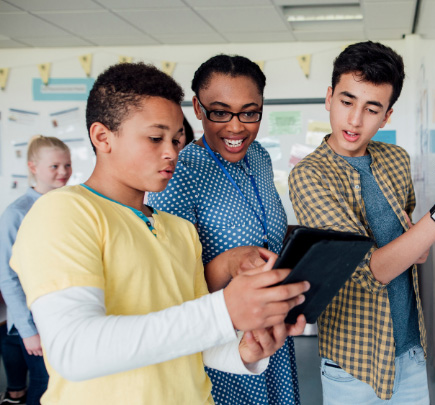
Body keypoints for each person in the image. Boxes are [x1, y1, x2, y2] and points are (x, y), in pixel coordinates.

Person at [10, 62, 309, 404]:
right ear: (101, 137)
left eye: (177, 139)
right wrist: (224, 310)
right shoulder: (64, 212)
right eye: (155, 138)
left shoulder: (179, 230)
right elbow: (74, 349)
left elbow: (192, 342)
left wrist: (245, 348)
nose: (172, 153)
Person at [288, 41, 435, 403]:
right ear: (329, 97)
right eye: (346, 102)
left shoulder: (395, 159)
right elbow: (369, 272)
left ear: (387, 116)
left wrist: (417, 241)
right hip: (355, 363)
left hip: (411, 349)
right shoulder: (309, 177)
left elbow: (410, 244)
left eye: (372, 109)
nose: (355, 120)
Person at [148, 54, 301, 405]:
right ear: (198, 109)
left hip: (272, 330)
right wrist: (229, 262)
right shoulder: (179, 174)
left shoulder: (259, 156)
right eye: (220, 112)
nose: (236, 128)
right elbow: (172, 290)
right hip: (222, 343)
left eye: (249, 112)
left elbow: (264, 230)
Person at [0, 135, 70, 405]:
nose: (63, 172)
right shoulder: (16, 213)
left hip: (59, 313)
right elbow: (8, 277)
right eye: (54, 166)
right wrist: (28, 331)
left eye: (67, 165)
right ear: (33, 168)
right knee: (43, 385)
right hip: (32, 321)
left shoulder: (68, 204)